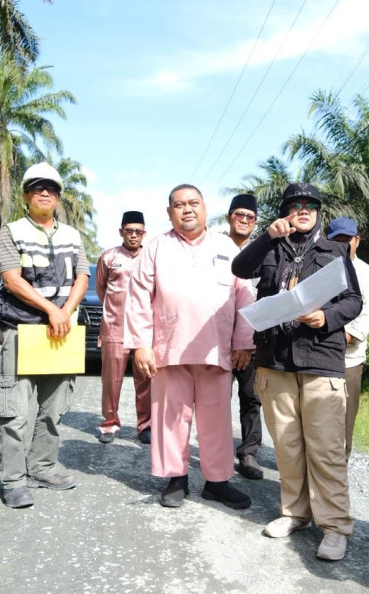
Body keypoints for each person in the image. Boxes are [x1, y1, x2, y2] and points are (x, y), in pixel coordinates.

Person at [232, 183, 362, 562]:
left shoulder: (335, 250)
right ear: (285, 212)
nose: (302, 210)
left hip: (320, 358)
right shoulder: (271, 246)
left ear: (319, 211)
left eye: (309, 205)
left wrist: (326, 317)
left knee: (325, 449)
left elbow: (353, 300)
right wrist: (265, 236)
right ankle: (295, 513)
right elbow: (240, 268)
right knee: (287, 445)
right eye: (294, 206)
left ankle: (335, 526)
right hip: (276, 360)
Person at [126, 184, 255, 510]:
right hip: (169, 349)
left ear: (205, 208)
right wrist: (142, 345)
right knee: (170, 417)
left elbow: (245, 296)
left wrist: (243, 342)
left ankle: (217, 482)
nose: (187, 209)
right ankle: (175, 479)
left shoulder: (227, 246)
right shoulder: (155, 248)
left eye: (193, 203)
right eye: (179, 205)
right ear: (169, 213)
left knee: (217, 420)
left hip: (217, 348)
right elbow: (139, 297)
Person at [0, 162, 89, 509]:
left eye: (51, 188)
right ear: (25, 196)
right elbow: (11, 279)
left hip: (61, 333)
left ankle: (43, 467)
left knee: (54, 408)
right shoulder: (11, 231)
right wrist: (51, 310)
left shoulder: (72, 236)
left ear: (59, 197)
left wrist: (64, 312)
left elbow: (82, 277)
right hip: (22, 329)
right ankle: (14, 480)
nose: (44, 192)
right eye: (36, 187)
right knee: (14, 410)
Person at [325, 217, 369, 458]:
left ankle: (337, 478)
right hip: (316, 360)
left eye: (346, 240)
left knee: (344, 421)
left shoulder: (368, 275)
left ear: (357, 241)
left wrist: (346, 336)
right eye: (336, 240)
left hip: (349, 360)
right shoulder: (319, 268)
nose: (342, 245)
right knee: (315, 422)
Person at [95, 210, 151, 445]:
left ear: (144, 233)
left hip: (144, 330)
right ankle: (110, 423)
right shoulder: (109, 257)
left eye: (138, 231)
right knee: (111, 378)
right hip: (114, 327)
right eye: (129, 230)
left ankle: (146, 425)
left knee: (146, 378)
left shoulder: (150, 257)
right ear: (121, 231)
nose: (134, 235)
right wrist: (115, 311)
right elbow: (101, 289)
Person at [225, 193, 264, 480]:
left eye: (249, 216)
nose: (244, 220)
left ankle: (248, 453)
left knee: (251, 397)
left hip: (253, 341)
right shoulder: (212, 248)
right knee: (215, 397)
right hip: (217, 337)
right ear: (229, 217)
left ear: (255, 222)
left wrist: (248, 344)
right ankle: (218, 452)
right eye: (239, 214)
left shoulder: (265, 252)